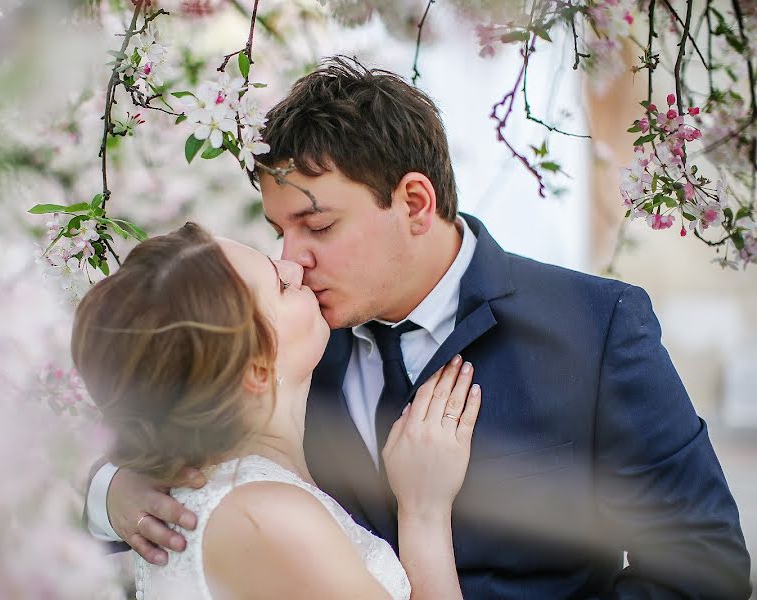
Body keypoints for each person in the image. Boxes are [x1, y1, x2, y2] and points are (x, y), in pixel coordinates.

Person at [86, 57, 752, 598]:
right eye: (279, 230)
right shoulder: (281, 340)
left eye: (317, 226)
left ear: (413, 202)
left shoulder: (595, 328)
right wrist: (112, 493)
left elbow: (704, 563)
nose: (291, 258)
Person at [72, 222, 482, 599]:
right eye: (280, 285)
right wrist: (424, 512)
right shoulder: (267, 519)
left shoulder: (235, 501)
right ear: (256, 368)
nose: (295, 269)